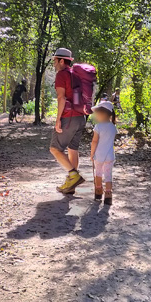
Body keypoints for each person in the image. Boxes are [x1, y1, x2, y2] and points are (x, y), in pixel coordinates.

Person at [50, 48, 86, 194]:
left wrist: (58, 119)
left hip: (69, 118)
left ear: (62, 60)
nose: (54, 63)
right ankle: (71, 185)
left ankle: (73, 175)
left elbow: (61, 98)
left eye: (55, 60)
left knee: (55, 148)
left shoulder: (61, 75)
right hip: (80, 118)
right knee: (73, 148)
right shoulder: (76, 75)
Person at [89, 100, 117, 205]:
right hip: (110, 155)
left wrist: (92, 154)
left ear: (102, 114)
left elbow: (94, 141)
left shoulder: (98, 127)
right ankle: (108, 195)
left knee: (98, 174)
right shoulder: (113, 127)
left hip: (99, 155)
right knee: (108, 175)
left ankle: (98, 192)